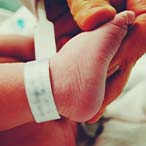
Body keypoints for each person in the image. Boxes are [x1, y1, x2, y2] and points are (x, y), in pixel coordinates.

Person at [0, 0, 144, 146]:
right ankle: (55, 84)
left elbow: (24, 49)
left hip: (76, 123)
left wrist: (53, 51)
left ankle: (59, 76)